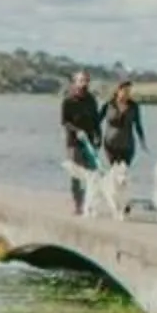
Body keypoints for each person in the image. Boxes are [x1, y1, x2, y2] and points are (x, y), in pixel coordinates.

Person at [58, 70, 101, 213]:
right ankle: (78, 205)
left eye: (86, 81)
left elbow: (96, 121)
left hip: (89, 141)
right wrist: (76, 130)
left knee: (92, 174)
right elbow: (64, 122)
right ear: (75, 82)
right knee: (76, 174)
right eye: (81, 80)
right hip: (74, 142)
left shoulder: (91, 100)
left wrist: (98, 137)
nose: (84, 84)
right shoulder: (68, 101)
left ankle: (90, 203)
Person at [102, 79, 147, 172]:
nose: (127, 93)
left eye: (129, 91)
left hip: (127, 146)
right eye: (125, 91)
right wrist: (94, 135)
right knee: (114, 171)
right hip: (111, 145)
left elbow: (138, 125)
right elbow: (97, 120)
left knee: (123, 171)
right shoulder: (109, 104)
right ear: (118, 90)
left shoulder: (134, 106)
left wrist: (142, 140)